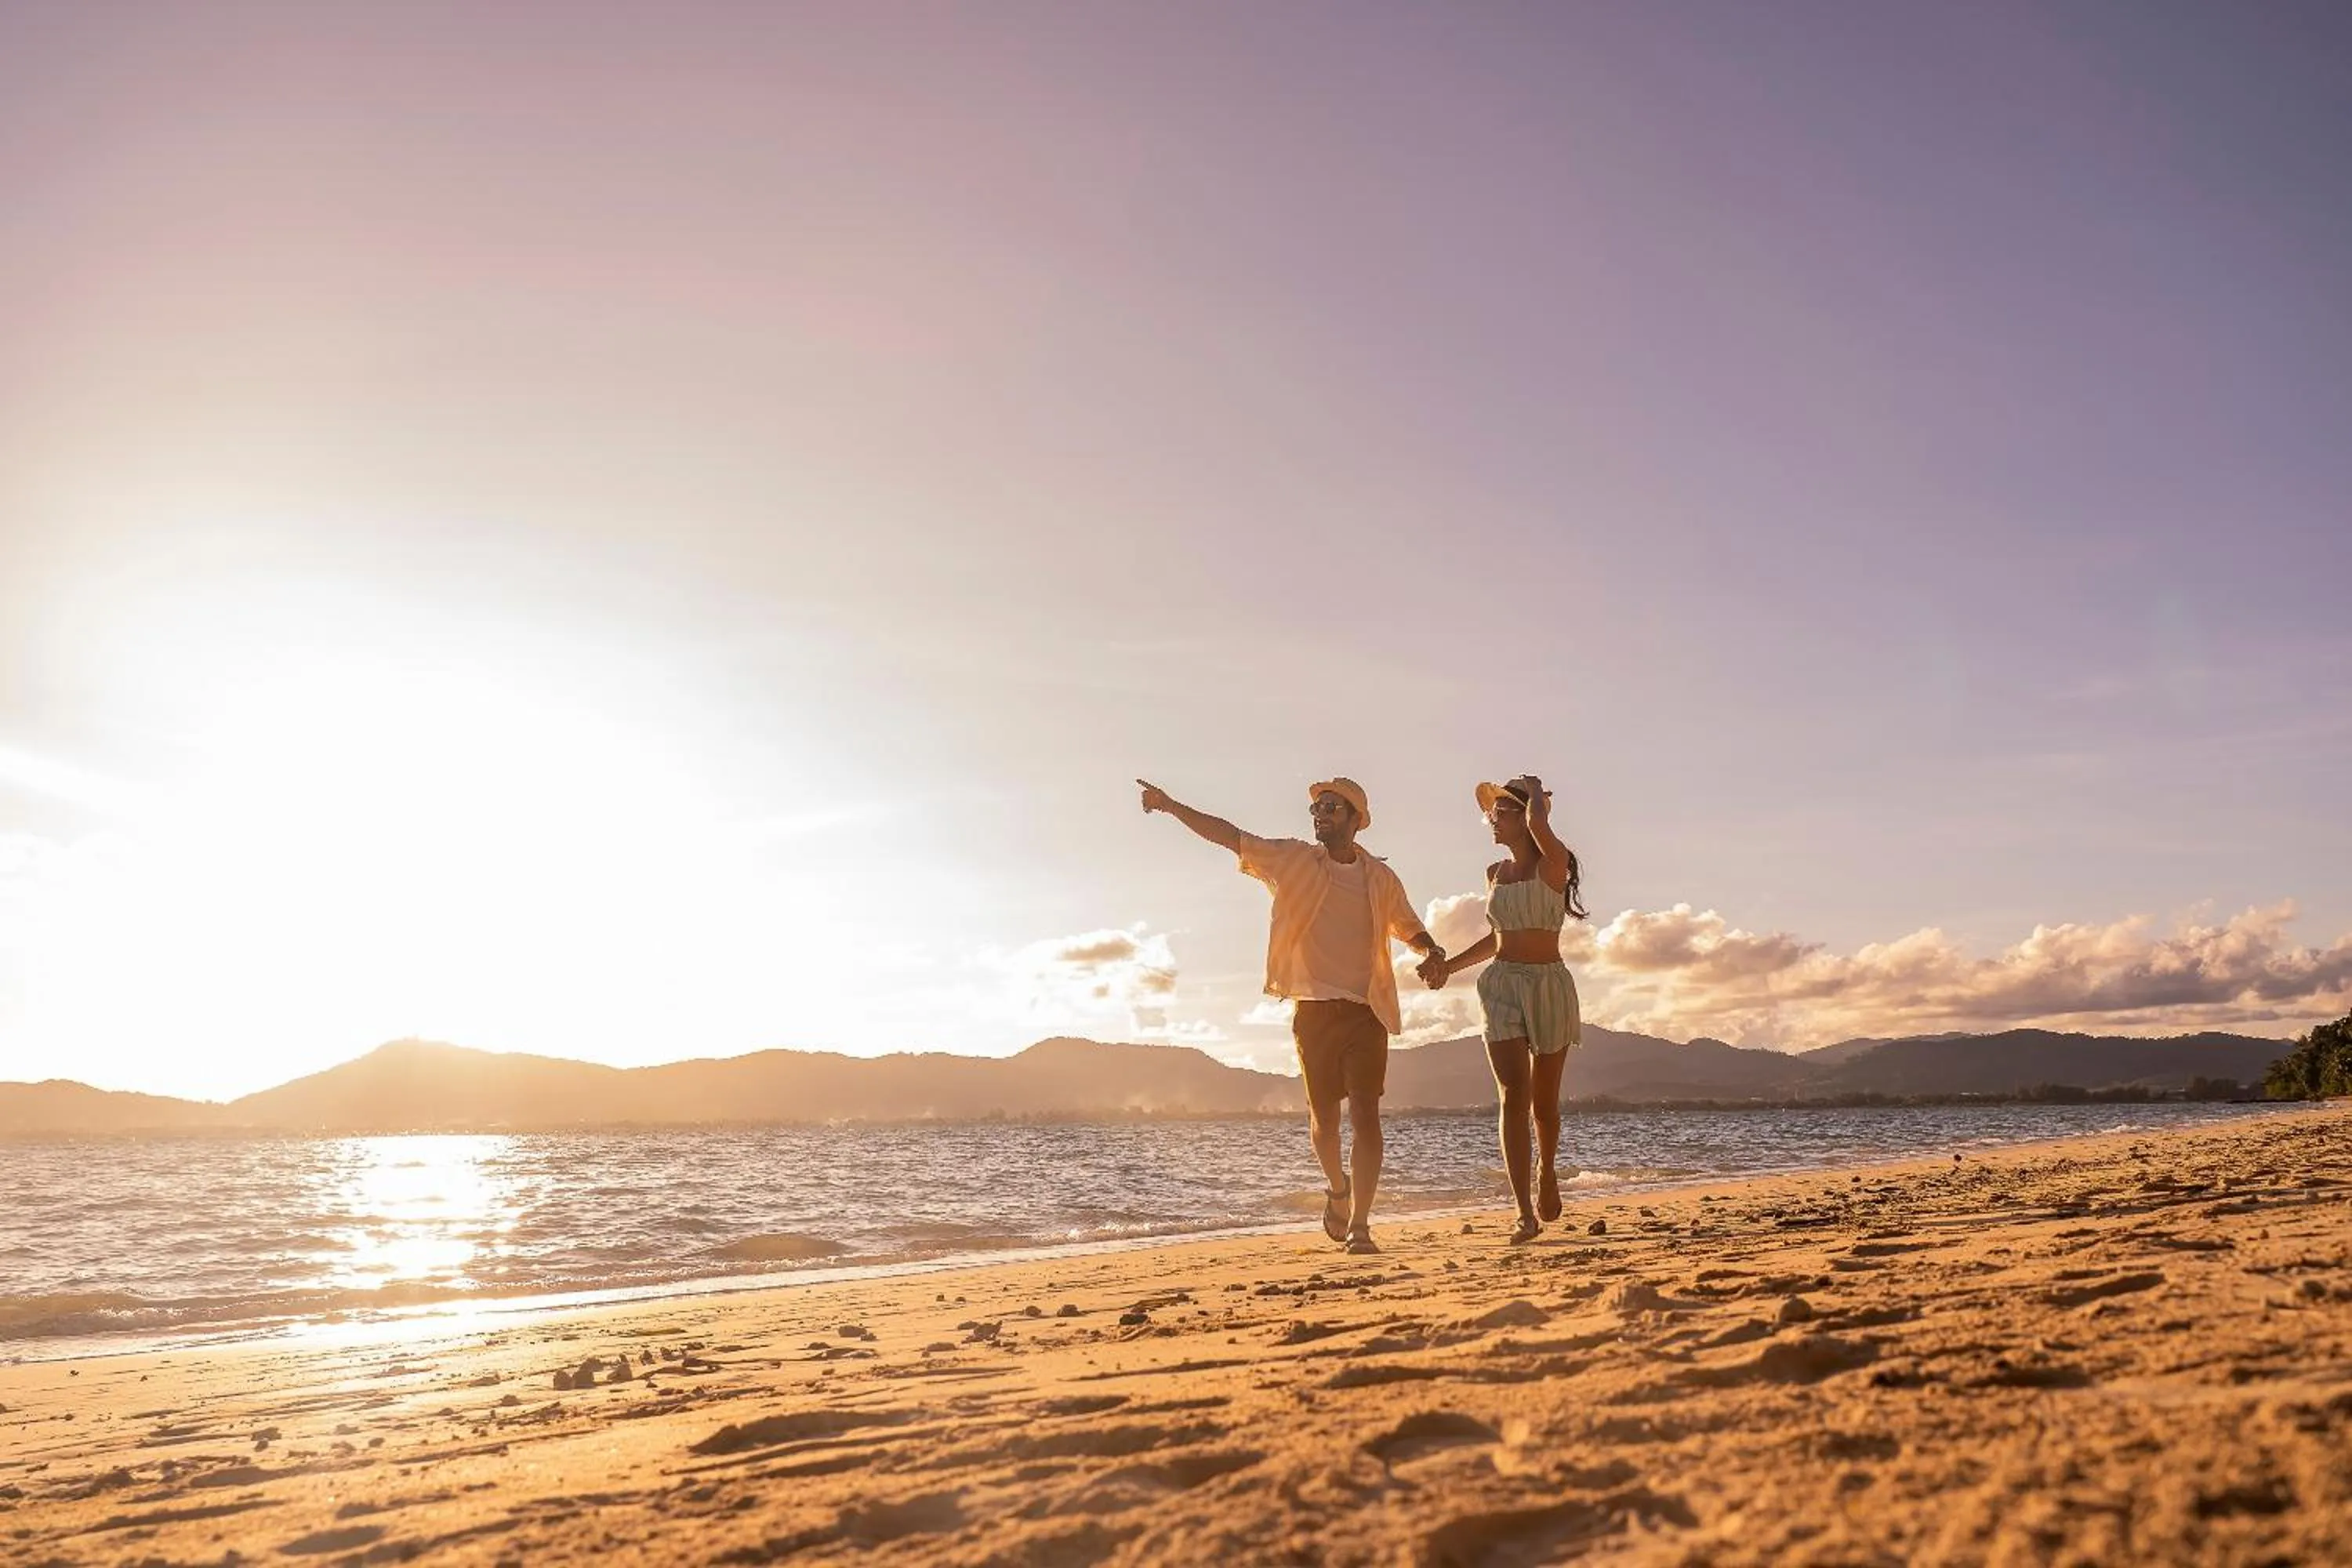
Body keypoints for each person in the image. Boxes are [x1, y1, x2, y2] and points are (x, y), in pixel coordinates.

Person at [1138, 776, 1446, 1254]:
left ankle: (1361, 1226)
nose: (1319, 814)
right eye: (1316, 808)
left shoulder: (1381, 879)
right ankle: (1338, 1189)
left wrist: (1430, 951)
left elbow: (1406, 923)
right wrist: (1170, 805)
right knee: (1323, 1122)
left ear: (1355, 819)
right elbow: (1229, 835)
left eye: (1330, 808)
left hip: (1366, 1011)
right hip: (1314, 1012)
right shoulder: (1294, 859)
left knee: (1366, 1115)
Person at [1426, 775, 1585, 1243]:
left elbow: (1539, 820)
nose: (1491, 821)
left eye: (1499, 812)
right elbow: (1497, 937)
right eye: (1489, 814)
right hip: (1501, 987)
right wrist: (1450, 966)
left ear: (1524, 816)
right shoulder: (1495, 873)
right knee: (1513, 1096)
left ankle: (1547, 1170)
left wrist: (1536, 794)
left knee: (1544, 1104)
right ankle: (1523, 1214)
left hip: (1549, 986)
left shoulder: (1553, 864)